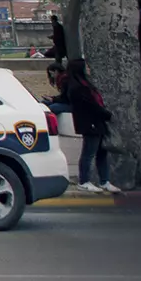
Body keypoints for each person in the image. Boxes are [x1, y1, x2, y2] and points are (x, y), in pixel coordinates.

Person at [58, 57, 114, 192]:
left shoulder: (83, 84)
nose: (88, 69)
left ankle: (104, 181)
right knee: (88, 153)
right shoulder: (77, 87)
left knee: (102, 152)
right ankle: (84, 181)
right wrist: (107, 114)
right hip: (90, 123)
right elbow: (91, 106)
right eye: (86, 67)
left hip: (96, 122)